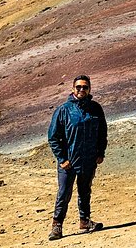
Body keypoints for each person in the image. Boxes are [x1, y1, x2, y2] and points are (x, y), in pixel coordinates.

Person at [47, 75, 107, 240]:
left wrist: (100, 152)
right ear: (73, 89)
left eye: (85, 87)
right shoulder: (63, 110)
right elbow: (53, 137)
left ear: (89, 89)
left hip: (89, 159)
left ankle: (85, 221)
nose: (82, 90)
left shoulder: (95, 108)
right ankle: (57, 226)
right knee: (64, 193)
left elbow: (102, 132)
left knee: (85, 191)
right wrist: (62, 159)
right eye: (79, 87)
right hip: (69, 162)